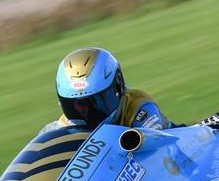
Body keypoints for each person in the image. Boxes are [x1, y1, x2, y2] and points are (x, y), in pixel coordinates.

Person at [42, 47, 173, 132]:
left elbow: (156, 153)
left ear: (118, 87)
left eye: (94, 102)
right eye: (74, 106)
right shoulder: (63, 126)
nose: (85, 113)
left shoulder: (139, 109)